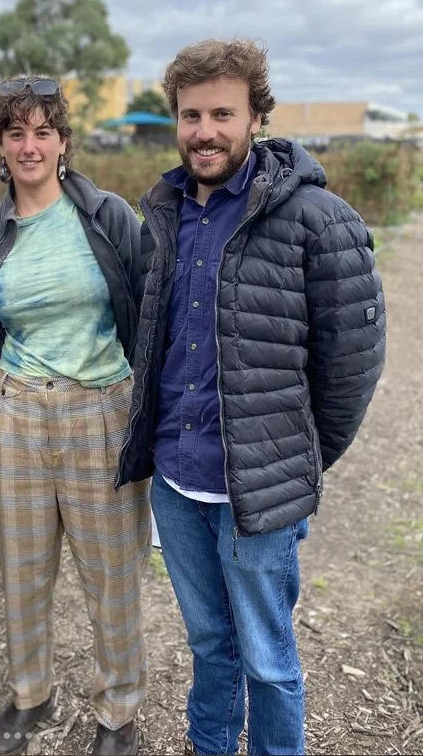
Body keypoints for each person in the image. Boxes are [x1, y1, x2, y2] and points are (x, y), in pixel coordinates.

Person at [117, 38, 387, 755]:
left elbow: (352, 363)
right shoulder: (167, 214)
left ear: (257, 117)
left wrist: (293, 457)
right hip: (177, 482)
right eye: (190, 115)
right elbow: (153, 341)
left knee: (268, 660)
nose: (204, 131)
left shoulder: (317, 220)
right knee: (210, 644)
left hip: (257, 495)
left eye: (222, 114)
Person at [0, 77, 151, 756]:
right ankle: (31, 695)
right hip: (16, 415)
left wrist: (122, 396)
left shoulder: (107, 217)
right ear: (2, 147)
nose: (30, 145)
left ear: (63, 142)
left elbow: (139, 310)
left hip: (99, 409)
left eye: (44, 131)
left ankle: (118, 709)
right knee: (23, 569)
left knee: (112, 574)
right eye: (17, 133)